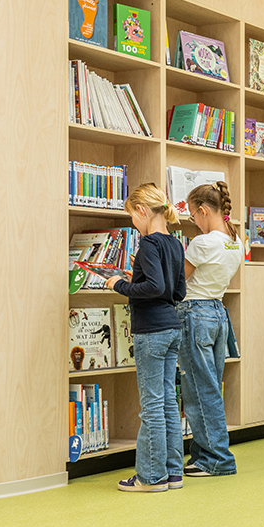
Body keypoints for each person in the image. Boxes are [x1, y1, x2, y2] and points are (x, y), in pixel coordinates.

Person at [107, 183, 186, 492]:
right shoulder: (175, 243)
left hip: (151, 330)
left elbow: (154, 287)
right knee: (167, 402)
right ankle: (172, 473)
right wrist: (137, 279)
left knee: (151, 405)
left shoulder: (149, 243)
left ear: (141, 211)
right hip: (172, 327)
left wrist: (121, 285)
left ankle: (150, 477)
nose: (133, 223)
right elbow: (177, 291)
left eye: (132, 216)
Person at [177, 181, 243, 476]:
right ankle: (203, 455)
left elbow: (177, 282)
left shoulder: (203, 243)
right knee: (210, 388)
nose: (194, 222)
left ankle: (217, 459)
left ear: (203, 211)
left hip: (195, 314)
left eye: (193, 216)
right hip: (217, 314)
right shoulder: (236, 241)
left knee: (199, 392)